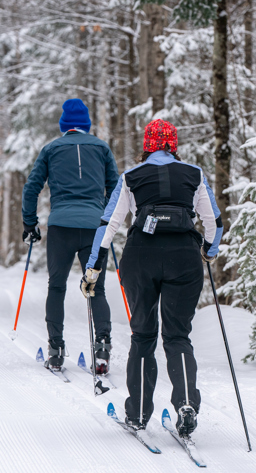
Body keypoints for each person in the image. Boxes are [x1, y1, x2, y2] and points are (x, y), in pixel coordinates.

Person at [80, 119, 222, 437]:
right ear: (174, 145)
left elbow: (108, 224)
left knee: (143, 336)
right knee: (177, 336)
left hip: (141, 257)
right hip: (184, 257)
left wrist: (93, 269)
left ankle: (140, 413)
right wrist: (209, 252)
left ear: (147, 145)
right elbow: (214, 221)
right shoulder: (194, 174)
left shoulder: (131, 176)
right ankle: (186, 402)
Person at [22, 98, 119, 372]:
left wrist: (30, 223)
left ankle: (55, 349)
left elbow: (31, 189)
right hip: (94, 227)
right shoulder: (101, 148)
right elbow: (116, 188)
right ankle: (102, 348)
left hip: (61, 226)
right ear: (86, 124)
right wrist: (108, 220)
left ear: (64, 125)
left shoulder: (51, 149)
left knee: (56, 286)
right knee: (96, 289)